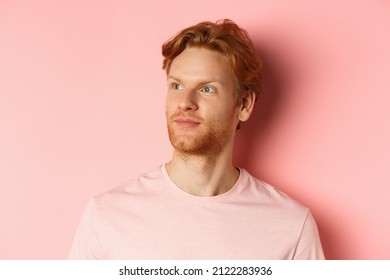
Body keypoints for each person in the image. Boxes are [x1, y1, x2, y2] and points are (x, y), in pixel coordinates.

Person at [69, 19, 325, 259]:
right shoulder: (107, 216)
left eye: (207, 89)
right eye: (177, 86)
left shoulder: (290, 225)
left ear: (244, 105)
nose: (185, 103)